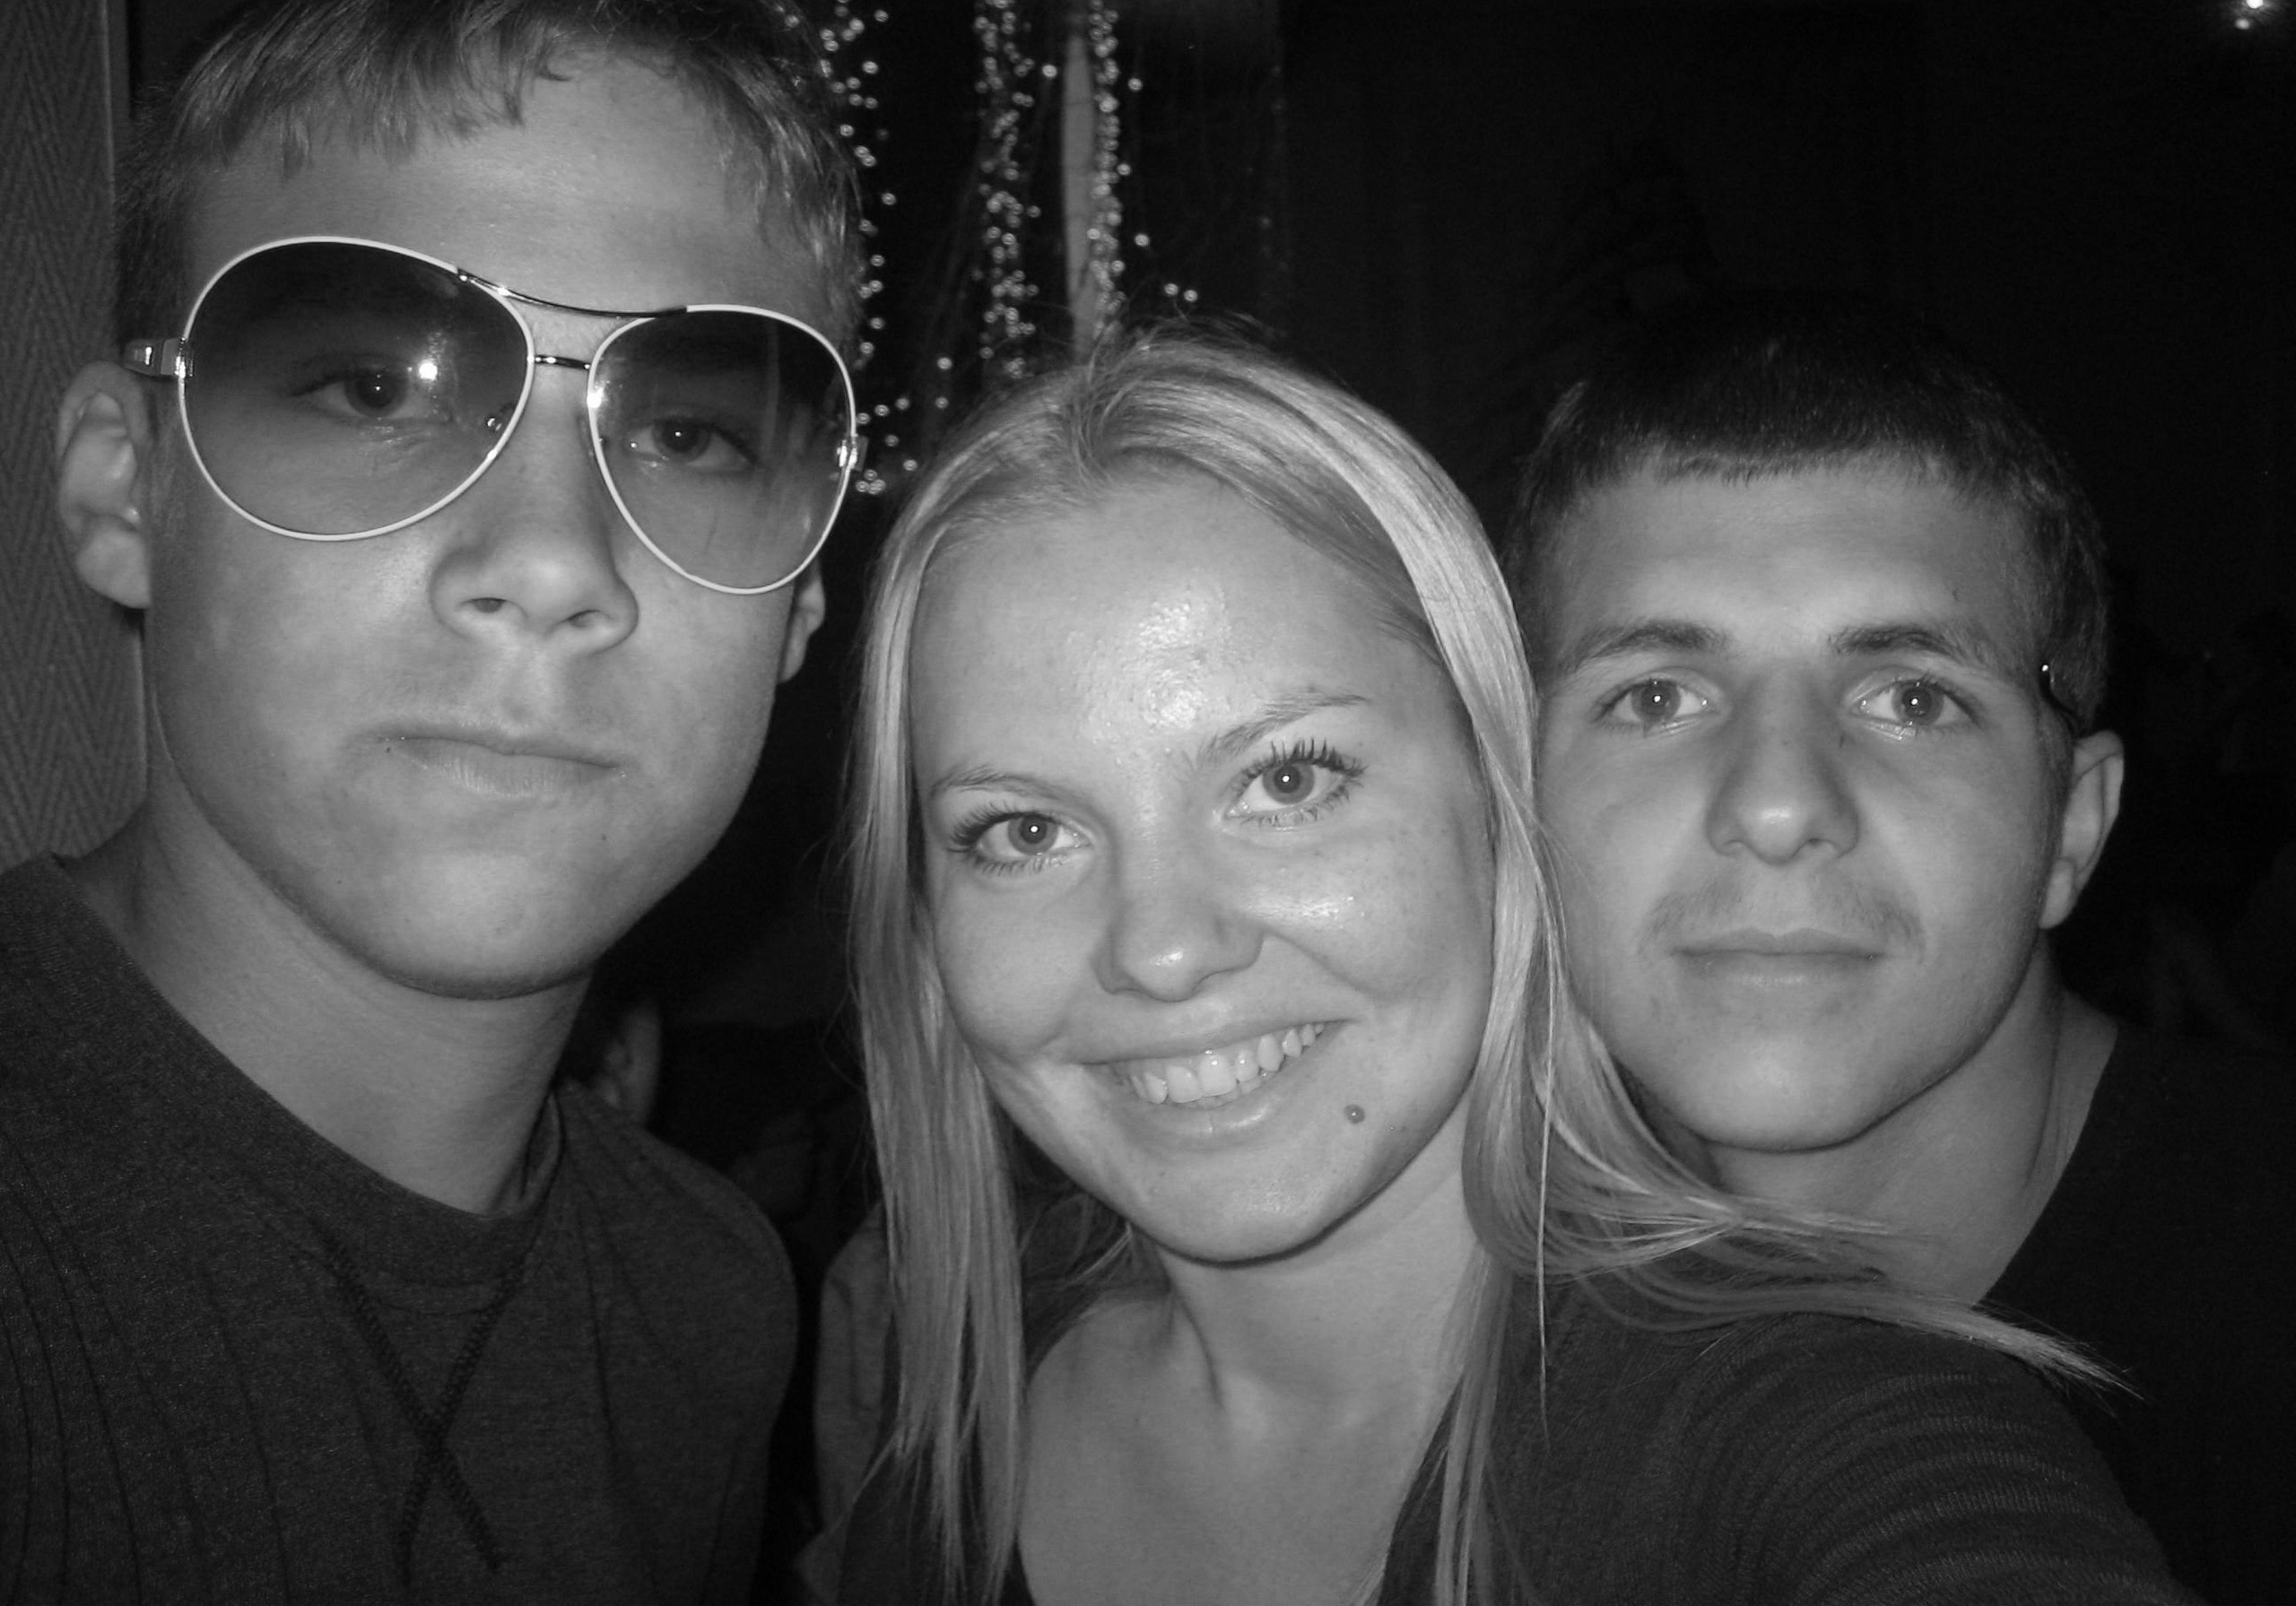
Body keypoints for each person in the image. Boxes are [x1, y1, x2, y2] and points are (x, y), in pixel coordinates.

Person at [830, 330, 2188, 1605]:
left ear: (1506, 801)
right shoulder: (957, 1438)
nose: (1162, 948)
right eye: (1022, 831)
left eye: (1288, 779)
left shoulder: (1820, 1423)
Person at [2, 0, 862, 1601]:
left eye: (688, 432)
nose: (549, 564)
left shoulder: (709, 1304)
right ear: (123, 489)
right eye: (370, 387)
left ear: (801, 609)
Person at [1502, 293, 2296, 1603]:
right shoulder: (1463, 1300)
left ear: (2073, 828)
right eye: (1656, 696)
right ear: (1518, 794)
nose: (1777, 806)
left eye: (1913, 698)